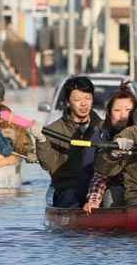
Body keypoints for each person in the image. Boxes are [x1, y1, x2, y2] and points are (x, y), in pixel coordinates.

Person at [33, 76, 103, 208]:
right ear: (67, 102)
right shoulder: (54, 130)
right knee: (69, 198)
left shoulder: (102, 127)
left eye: (88, 98)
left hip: (96, 189)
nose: (84, 104)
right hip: (68, 189)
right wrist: (41, 140)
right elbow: (47, 165)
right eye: (77, 100)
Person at [83, 84, 137, 214]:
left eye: (128, 110)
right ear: (109, 113)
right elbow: (100, 174)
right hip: (114, 188)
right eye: (117, 110)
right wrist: (93, 201)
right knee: (111, 196)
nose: (123, 116)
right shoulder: (100, 136)